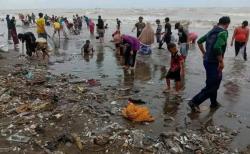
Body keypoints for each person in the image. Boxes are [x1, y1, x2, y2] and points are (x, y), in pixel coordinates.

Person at [188, 16, 231, 112]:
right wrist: (221, 61)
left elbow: (199, 42)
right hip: (215, 63)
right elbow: (217, 47)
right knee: (213, 86)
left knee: (212, 83)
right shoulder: (223, 32)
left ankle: (214, 103)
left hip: (207, 61)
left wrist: (204, 53)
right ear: (227, 24)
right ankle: (194, 102)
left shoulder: (212, 30)